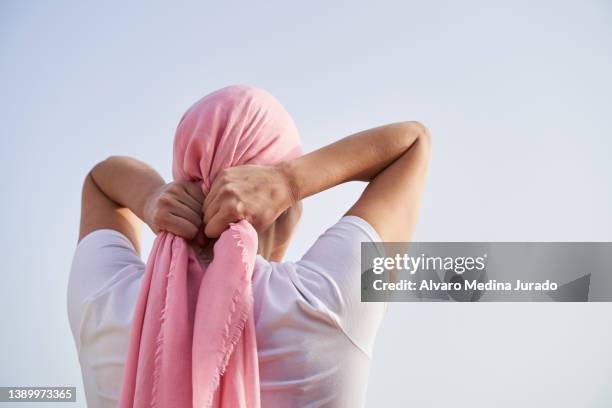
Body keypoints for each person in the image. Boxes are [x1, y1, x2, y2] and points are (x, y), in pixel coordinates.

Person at [67, 85, 431, 408]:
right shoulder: (326, 301)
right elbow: (412, 142)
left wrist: (150, 198)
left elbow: (102, 179)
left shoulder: (106, 301)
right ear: (285, 209)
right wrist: (289, 181)